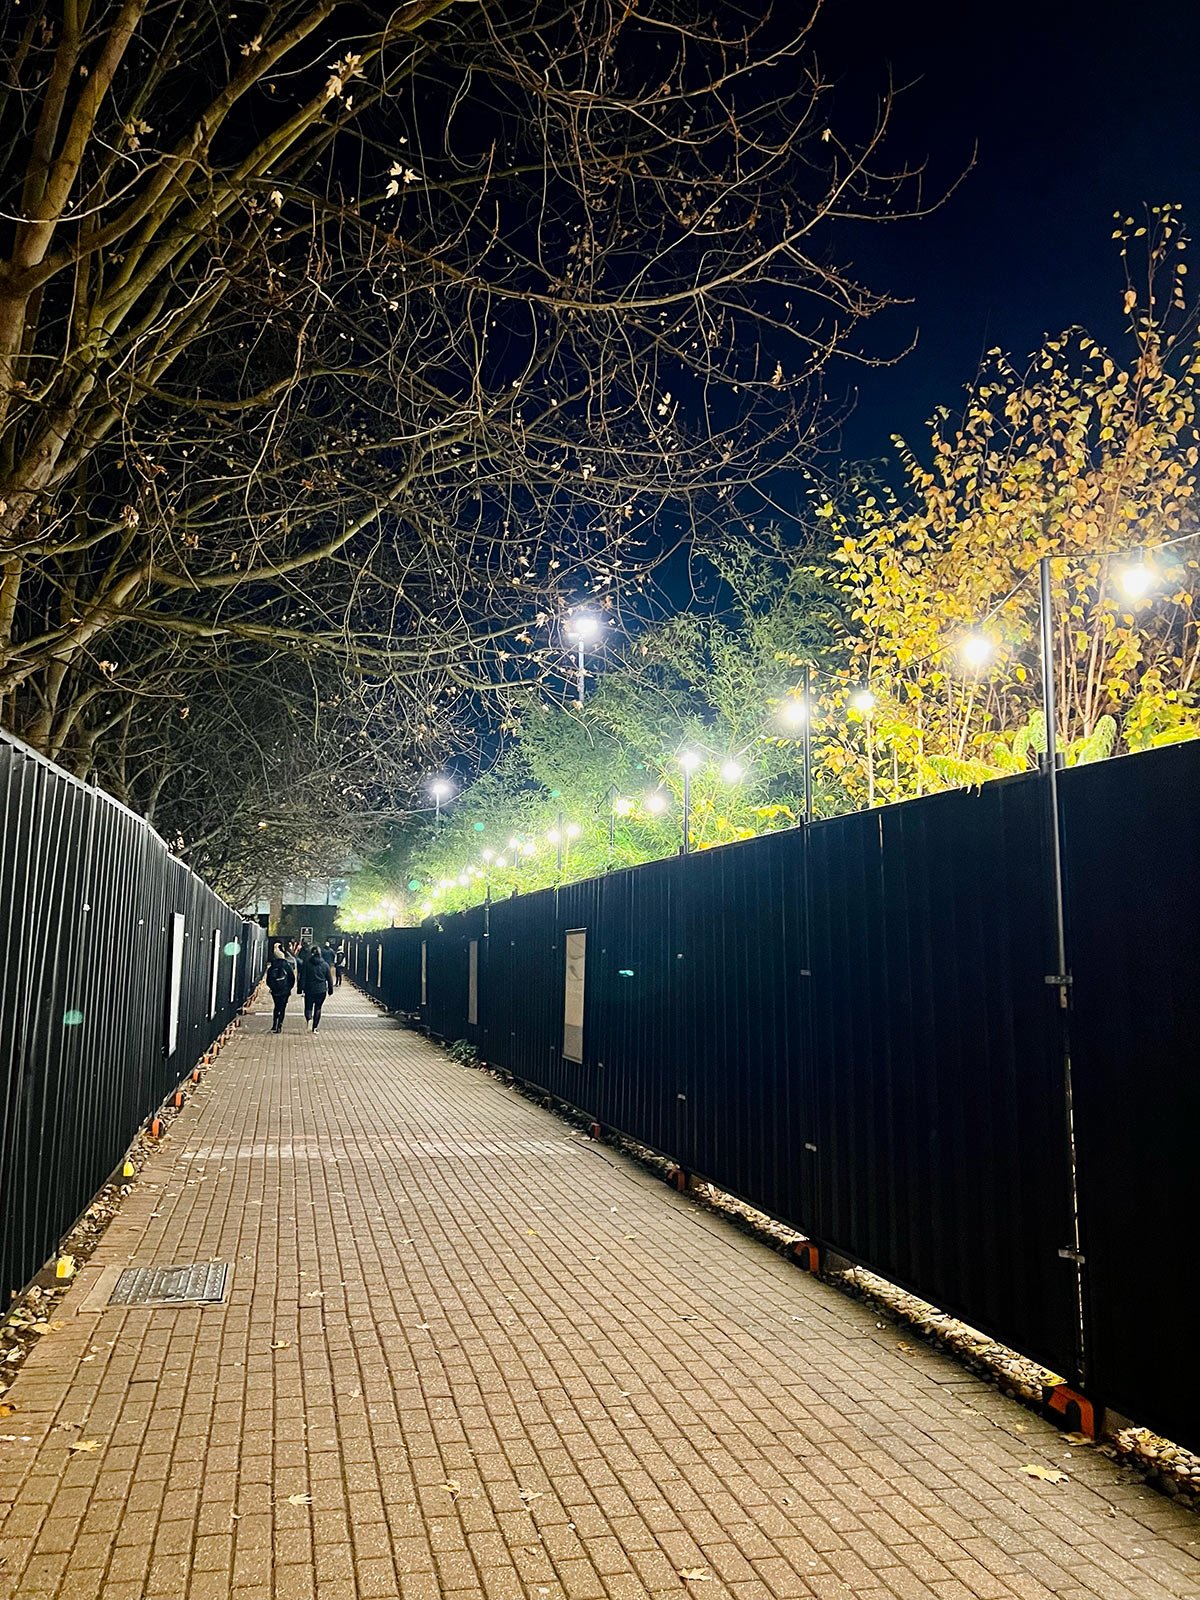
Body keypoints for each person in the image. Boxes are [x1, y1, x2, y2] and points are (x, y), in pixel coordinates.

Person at [301, 943, 334, 1032]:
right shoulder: (325, 965)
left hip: (309, 989)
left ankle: (309, 1019)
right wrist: (330, 990)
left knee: (308, 1007)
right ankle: (315, 1027)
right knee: (318, 1008)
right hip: (321, 989)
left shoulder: (307, 964)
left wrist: (300, 989)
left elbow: (303, 977)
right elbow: (329, 979)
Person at [265, 942, 296, 1033]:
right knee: (282, 1008)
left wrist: (272, 987)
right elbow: (292, 979)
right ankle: (280, 1026)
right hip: (285, 991)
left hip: (275, 991)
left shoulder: (272, 967)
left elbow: (268, 980)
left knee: (276, 1007)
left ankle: (274, 1024)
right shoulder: (287, 966)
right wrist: (289, 988)